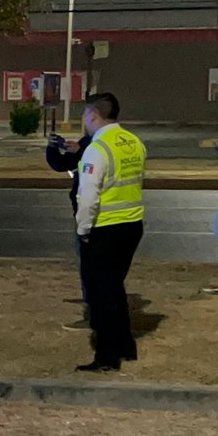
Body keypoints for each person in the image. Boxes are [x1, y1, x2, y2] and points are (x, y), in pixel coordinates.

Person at [74, 93, 146, 372]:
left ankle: (107, 357)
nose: (84, 121)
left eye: (84, 115)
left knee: (101, 294)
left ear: (94, 114)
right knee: (115, 287)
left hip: (105, 228)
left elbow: (89, 195)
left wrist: (83, 229)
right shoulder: (133, 142)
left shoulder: (97, 148)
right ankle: (126, 346)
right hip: (133, 224)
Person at [46, 129, 94, 330]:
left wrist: (81, 151)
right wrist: (53, 148)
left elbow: (95, 174)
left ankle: (94, 316)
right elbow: (63, 164)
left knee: (94, 269)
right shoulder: (88, 142)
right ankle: (92, 305)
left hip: (98, 217)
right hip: (87, 214)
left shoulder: (101, 145)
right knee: (89, 267)